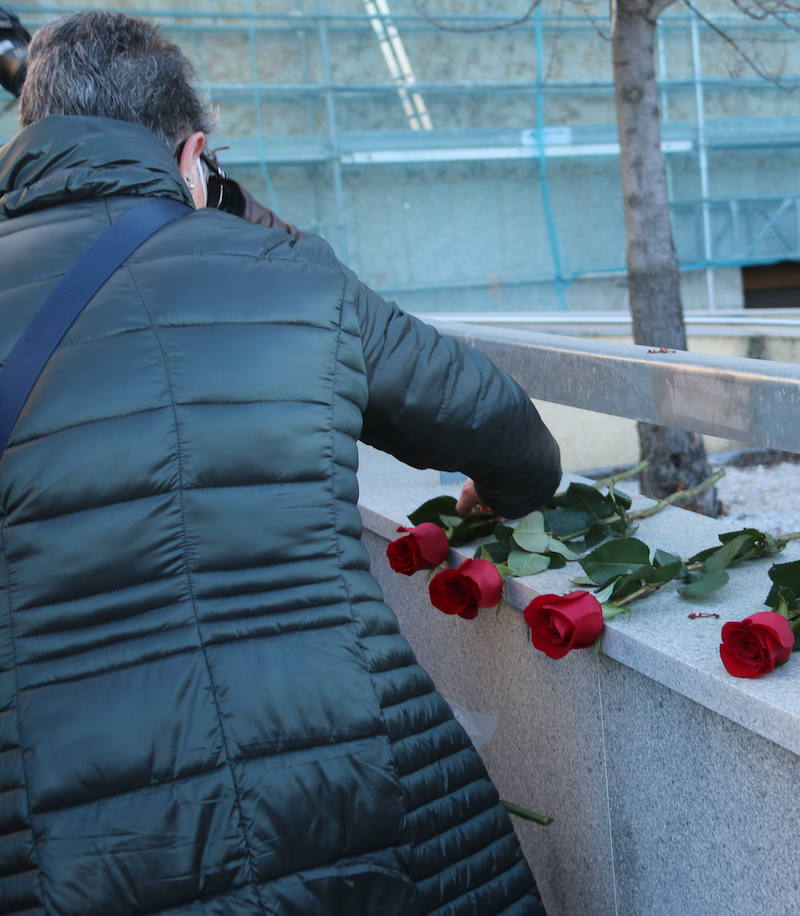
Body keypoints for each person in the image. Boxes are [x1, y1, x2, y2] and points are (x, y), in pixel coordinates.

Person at [0, 11, 560, 915]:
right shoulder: (296, 272)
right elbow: (504, 428)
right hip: (358, 777)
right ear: (192, 153)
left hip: (72, 838)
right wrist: (501, 498)